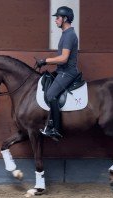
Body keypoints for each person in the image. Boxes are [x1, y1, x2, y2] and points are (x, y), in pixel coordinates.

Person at [36, 6, 79, 140]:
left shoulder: (69, 35)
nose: (55, 20)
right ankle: (49, 123)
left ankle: (56, 130)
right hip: (62, 70)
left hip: (68, 72)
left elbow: (64, 58)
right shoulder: (65, 34)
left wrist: (45, 61)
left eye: (58, 17)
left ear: (65, 18)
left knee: (50, 94)